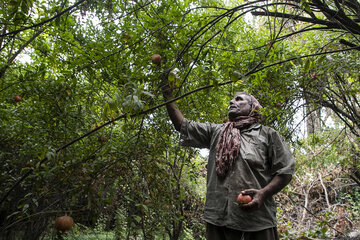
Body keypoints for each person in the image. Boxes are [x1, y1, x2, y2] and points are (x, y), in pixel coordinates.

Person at [163, 87, 295, 240]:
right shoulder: (217, 132)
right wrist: (168, 95)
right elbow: (182, 125)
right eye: (232, 99)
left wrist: (263, 193)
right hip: (218, 221)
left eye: (239, 99)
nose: (232, 101)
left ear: (253, 108)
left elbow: (285, 172)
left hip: (257, 222)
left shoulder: (268, 135)